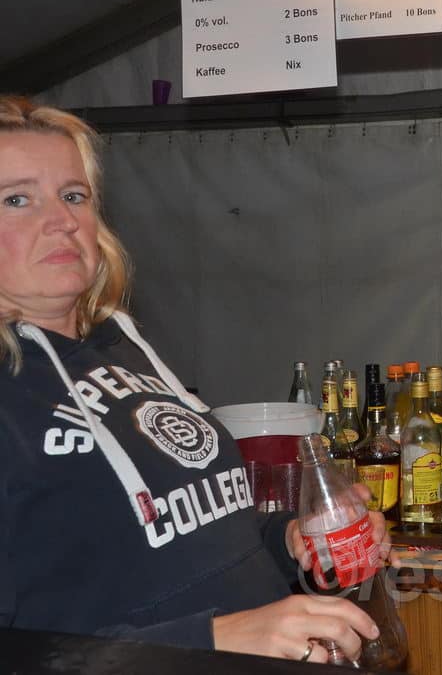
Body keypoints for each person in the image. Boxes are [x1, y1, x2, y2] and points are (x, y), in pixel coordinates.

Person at [0, 96, 390, 664]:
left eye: (74, 195)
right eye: (16, 199)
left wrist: (289, 540)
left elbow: (195, 539)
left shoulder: (123, 348)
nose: (62, 220)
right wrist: (212, 640)